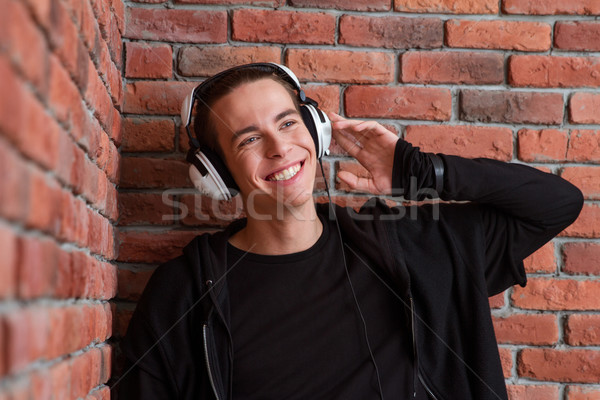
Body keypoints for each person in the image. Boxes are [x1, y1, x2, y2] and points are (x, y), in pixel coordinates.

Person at [115, 63, 583, 400]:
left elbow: (555, 204)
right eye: (250, 139)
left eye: (287, 123)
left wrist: (417, 171)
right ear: (216, 174)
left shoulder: (410, 245)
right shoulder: (183, 293)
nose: (281, 148)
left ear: (315, 132)